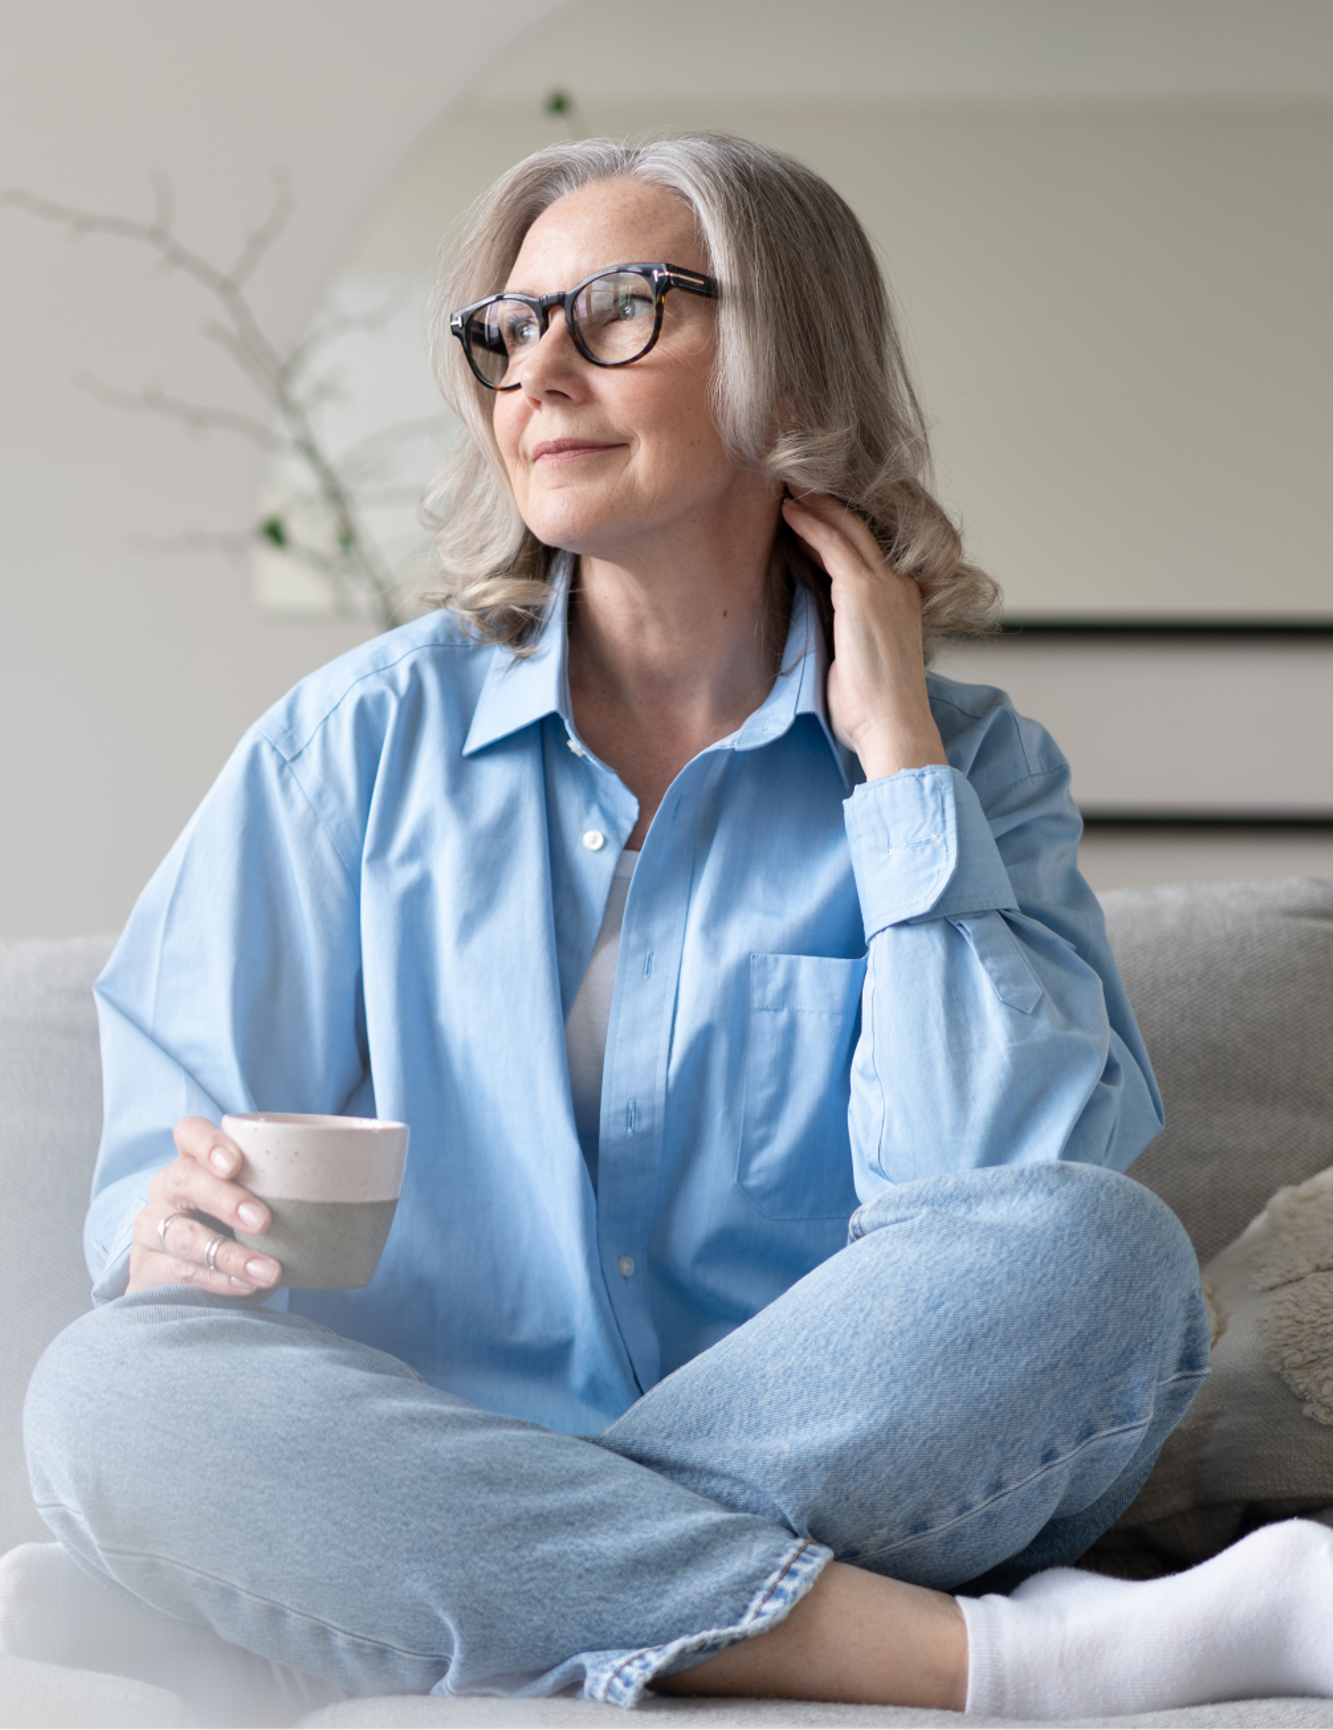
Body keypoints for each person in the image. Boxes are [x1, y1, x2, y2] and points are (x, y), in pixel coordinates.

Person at [16, 132, 1333, 1721]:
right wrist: (168, 1235)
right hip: (478, 1434)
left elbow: (1005, 1184)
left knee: (1101, 1257)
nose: (539, 369)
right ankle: (973, 1655)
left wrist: (894, 758)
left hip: (835, 1454)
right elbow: (174, 1187)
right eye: (508, 329)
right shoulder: (344, 749)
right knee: (107, 1392)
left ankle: (388, 1593)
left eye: (620, 309)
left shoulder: (971, 766)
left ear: (790, 368)